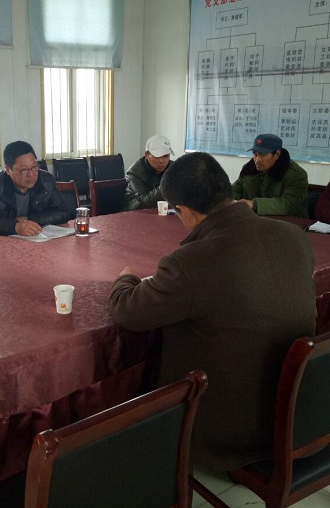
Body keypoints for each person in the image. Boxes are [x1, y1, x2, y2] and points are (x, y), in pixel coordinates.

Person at [109, 152, 316, 471]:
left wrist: (125, 278)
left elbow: (128, 311)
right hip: (295, 411)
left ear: (184, 211)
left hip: (228, 430)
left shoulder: (191, 261)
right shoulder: (294, 237)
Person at [0, 141, 70, 236]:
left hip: (38, 238)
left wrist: (28, 219)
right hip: (5, 241)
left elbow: (63, 212)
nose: (31, 174)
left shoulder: (46, 180)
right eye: (24, 170)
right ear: (8, 170)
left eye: (34, 167)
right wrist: (15, 227)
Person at [231, 133, 308, 218]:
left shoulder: (296, 174)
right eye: (255, 154)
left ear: (277, 154)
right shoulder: (249, 169)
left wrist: (254, 204)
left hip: (290, 221)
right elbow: (235, 190)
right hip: (256, 219)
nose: (257, 159)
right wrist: (225, 200)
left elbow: (288, 205)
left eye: (263, 155)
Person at [124, 134, 174, 211]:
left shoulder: (174, 168)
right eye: (157, 156)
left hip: (166, 212)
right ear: (147, 155)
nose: (162, 161)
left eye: (165, 156)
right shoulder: (134, 172)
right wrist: (167, 184)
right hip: (137, 213)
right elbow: (145, 201)